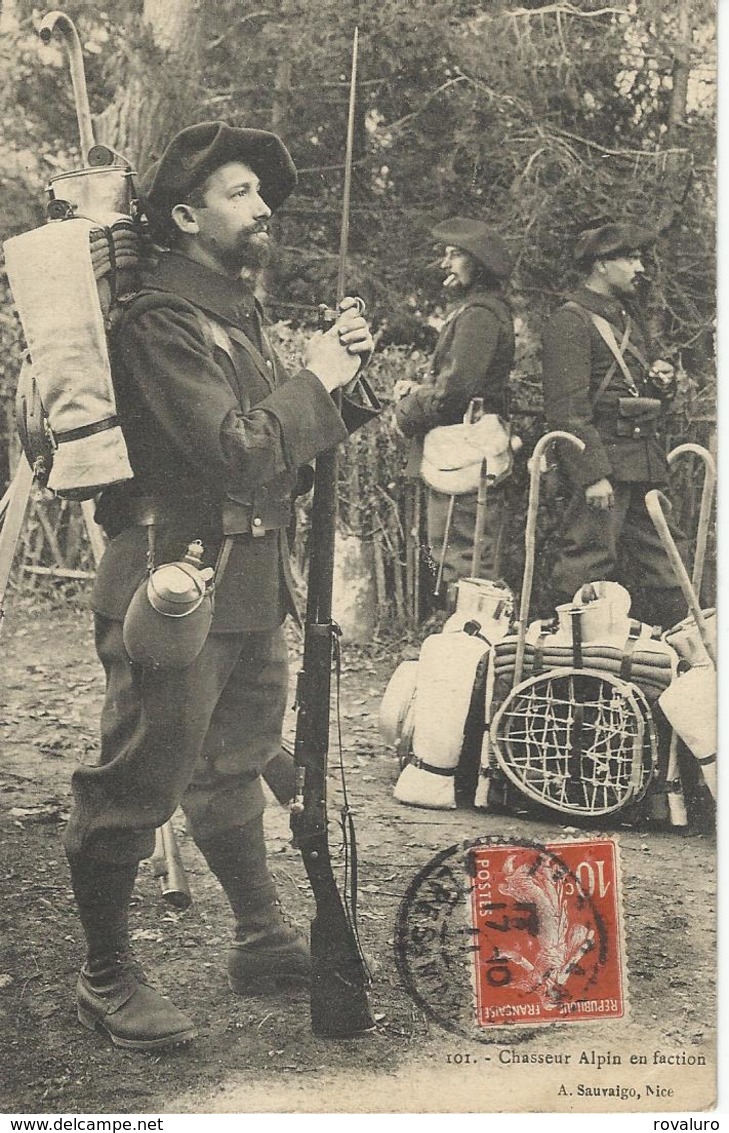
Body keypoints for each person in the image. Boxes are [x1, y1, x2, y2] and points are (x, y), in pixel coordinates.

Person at [62, 121, 379, 1051]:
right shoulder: (160, 318)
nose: (262, 207)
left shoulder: (234, 317)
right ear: (187, 213)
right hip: (173, 584)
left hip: (248, 586)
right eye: (240, 193)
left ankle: (259, 938)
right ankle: (106, 975)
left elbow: (282, 445)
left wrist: (341, 381)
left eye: (259, 193)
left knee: (234, 761)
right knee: (135, 781)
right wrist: (314, 378)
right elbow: (238, 452)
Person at [541, 221, 685, 629]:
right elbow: (567, 410)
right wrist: (592, 475)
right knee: (585, 564)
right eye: (630, 258)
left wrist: (661, 381)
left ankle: (691, 661)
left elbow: (636, 393)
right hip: (604, 467)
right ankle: (565, 663)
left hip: (641, 465)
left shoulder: (625, 317)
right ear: (601, 265)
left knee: (668, 563)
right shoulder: (571, 321)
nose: (639, 267)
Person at [393, 218, 515, 601]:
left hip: (466, 447)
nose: (446, 263)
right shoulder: (476, 310)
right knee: (459, 551)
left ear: (478, 264)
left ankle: (471, 646)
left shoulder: (480, 315)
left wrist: (409, 407)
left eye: (455, 255)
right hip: (467, 441)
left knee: (463, 553)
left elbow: (455, 393)